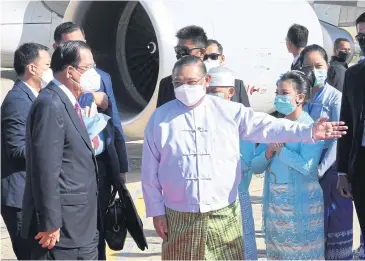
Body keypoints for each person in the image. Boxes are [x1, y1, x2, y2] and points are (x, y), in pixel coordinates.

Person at [141, 55, 346, 260]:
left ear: (206, 81)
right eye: (178, 83)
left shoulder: (228, 111)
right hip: (179, 214)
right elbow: (149, 171)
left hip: (223, 212)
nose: (185, 87)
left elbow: (267, 126)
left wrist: (308, 131)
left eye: (191, 82)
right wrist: (157, 211)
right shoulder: (160, 118)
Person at [53, 22, 129, 259]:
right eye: (70, 44)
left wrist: (121, 166)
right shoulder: (50, 84)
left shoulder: (101, 78)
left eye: (82, 43)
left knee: (99, 230)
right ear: (57, 47)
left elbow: (114, 123)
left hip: (101, 167)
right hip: (69, 175)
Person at [21, 41, 99, 260]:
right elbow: (45, 168)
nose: (93, 74)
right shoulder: (51, 104)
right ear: (70, 71)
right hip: (63, 230)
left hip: (81, 223)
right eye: (88, 68)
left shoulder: (67, 100)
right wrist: (50, 222)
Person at [251, 71, 325, 260]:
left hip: (301, 205)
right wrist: (268, 153)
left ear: (300, 97)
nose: (278, 97)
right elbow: (255, 166)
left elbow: (307, 167)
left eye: (284, 93)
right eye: (277, 92)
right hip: (275, 206)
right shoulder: (273, 126)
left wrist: (281, 151)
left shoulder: (311, 128)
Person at [301, 44, 353, 260]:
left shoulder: (335, 98)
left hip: (328, 171)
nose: (313, 71)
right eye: (307, 67)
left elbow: (337, 140)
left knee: (333, 221)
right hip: (307, 168)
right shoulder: (303, 97)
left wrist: (320, 170)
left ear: (328, 66)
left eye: (318, 65)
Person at [1, 42, 52, 260]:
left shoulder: (34, 96)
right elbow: (17, 150)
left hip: (30, 195)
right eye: (47, 65)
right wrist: (54, 149)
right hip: (20, 199)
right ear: (32, 68)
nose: (50, 71)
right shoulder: (18, 100)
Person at [206, 66, 258, 260]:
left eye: (215, 91)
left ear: (230, 93)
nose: (211, 96)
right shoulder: (200, 119)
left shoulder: (241, 119)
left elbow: (245, 162)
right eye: (208, 91)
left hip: (236, 198)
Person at [337, 11, 365, 257]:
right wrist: (343, 172)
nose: (363, 41)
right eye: (361, 36)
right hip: (362, 165)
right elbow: (346, 123)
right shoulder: (354, 75)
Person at [156, 25, 208, 108]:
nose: (181, 54)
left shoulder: (217, 84)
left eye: (185, 50)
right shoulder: (166, 84)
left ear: (202, 52)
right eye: (178, 50)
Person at [205, 39, 250, 106]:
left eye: (213, 57)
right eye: (204, 57)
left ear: (222, 59)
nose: (208, 61)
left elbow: (247, 112)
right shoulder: (196, 85)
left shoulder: (237, 85)